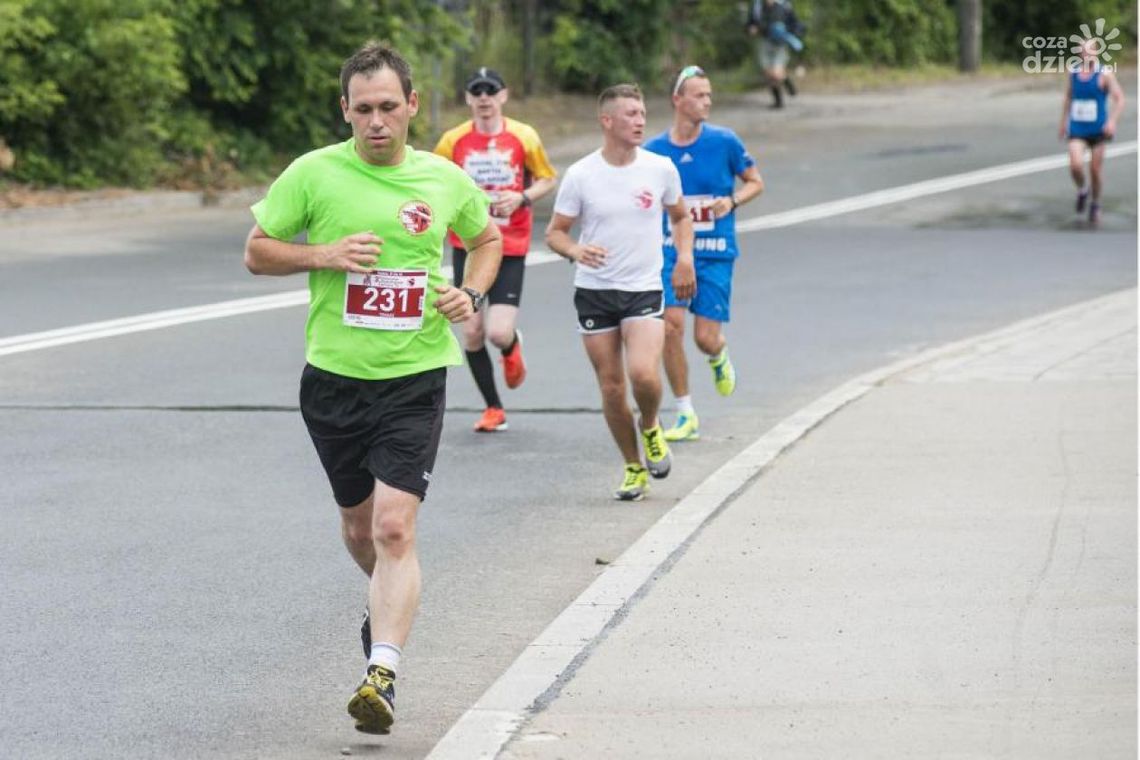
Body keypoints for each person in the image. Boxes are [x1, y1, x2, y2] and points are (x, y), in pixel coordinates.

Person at [243, 43, 502, 736]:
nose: (377, 122)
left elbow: (487, 239)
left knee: (395, 524)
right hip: (333, 380)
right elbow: (257, 249)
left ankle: (381, 671)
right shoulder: (314, 173)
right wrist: (321, 254)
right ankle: (386, 598)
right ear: (345, 111)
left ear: (413, 105)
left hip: (413, 375)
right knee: (361, 529)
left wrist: (470, 293)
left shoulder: (443, 179)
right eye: (364, 110)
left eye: (390, 107)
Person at [545, 83, 695, 501]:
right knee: (611, 387)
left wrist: (684, 259)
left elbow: (681, 218)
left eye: (643, 112)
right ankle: (632, 467)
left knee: (644, 373)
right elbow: (555, 233)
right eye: (630, 114)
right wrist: (576, 250)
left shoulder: (660, 168)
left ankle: (650, 425)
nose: (640, 120)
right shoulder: (581, 174)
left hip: (643, 287)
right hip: (594, 292)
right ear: (607, 121)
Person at [645, 65, 765, 443]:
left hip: (715, 251)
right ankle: (685, 413)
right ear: (677, 101)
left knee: (704, 338)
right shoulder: (654, 153)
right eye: (699, 95)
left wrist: (731, 201)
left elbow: (756, 182)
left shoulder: (725, 141)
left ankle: (718, 354)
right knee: (669, 327)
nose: (707, 101)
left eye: (709, 95)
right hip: (670, 252)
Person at [434, 67, 558, 432]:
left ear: (504, 96)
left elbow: (548, 178)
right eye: (477, 91)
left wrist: (520, 197)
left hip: (510, 244)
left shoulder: (524, 136)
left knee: (497, 333)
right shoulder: (452, 141)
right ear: (469, 99)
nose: (484, 97)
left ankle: (510, 346)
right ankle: (493, 408)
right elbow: (435, 184)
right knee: (471, 331)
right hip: (468, 245)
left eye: (492, 91)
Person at [1059, 39, 1125, 225]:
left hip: (1098, 130)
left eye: (1089, 51)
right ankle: (1082, 190)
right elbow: (1068, 97)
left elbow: (1119, 99)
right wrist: (1063, 122)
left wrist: (1112, 122)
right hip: (1077, 128)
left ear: (1096, 53)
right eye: (1083, 52)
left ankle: (1095, 203)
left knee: (1095, 170)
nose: (1086, 55)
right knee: (1075, 166)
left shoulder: (1105, 74)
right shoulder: (1073, 72)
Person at [747, 0, 805, 109]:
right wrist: (751, 28)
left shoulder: (784, 5)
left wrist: (790, 34)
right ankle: (778, 100)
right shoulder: (757, 6)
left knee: (776, 73)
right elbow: (751, 22)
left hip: (780, 43)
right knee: (768, 73)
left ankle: (785, 85)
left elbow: (794, 23)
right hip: (764, 41)